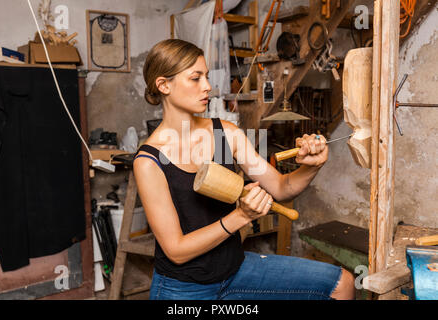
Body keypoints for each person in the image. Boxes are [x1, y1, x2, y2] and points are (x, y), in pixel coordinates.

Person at [133, 39, 355, 300]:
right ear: (164, 85)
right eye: (195, 78)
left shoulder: (225, 134)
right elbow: (176, 250)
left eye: (206, 76)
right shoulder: (150, 160)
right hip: (184, 288)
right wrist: (241, 216)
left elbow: (282, 188)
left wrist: (311, 166)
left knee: (343, 283)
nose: (207, 86)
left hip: (236, 271)